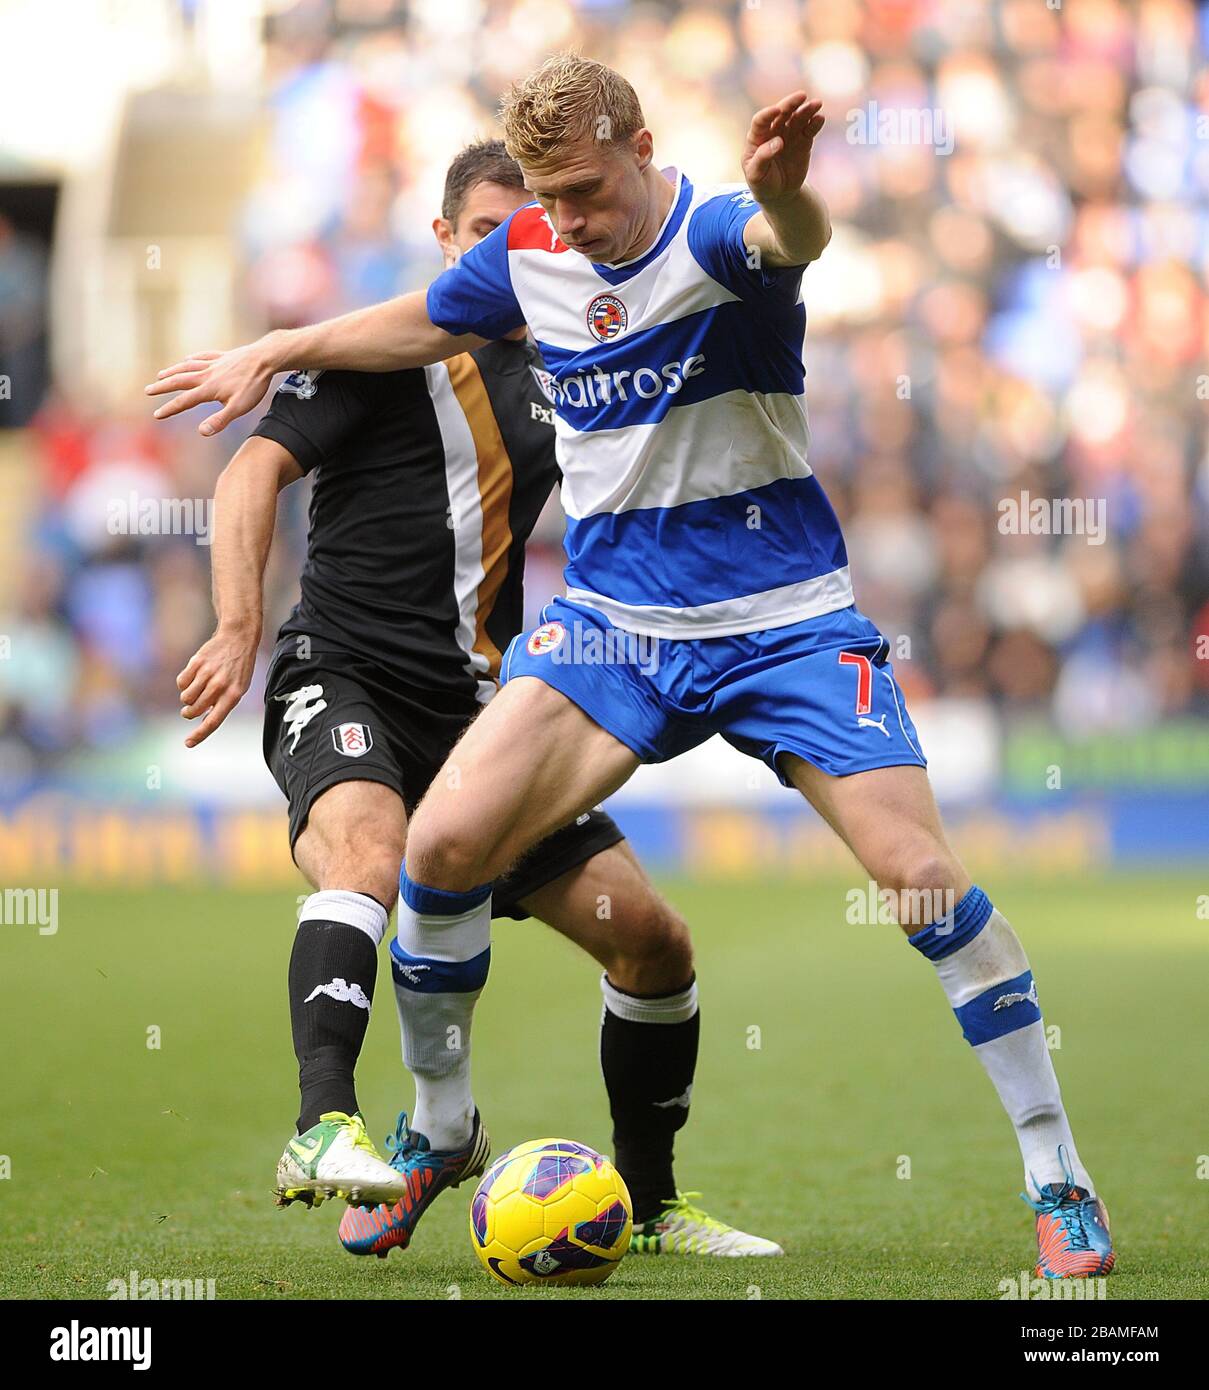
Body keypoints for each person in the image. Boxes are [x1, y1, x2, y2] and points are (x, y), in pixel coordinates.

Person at [150, 55, 1114, 1280]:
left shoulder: (716, 232)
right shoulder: (535, 248)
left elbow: (790, 235)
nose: (574, 221)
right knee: (441, 849)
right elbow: (426, 316)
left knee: (920, 878)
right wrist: (278, 342)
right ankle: (442, 1130)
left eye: (592, 192)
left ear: (646, 149)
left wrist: (792, 188)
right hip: (615, 626)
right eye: (551, 197)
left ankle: (1058, 1177)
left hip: (783, 621)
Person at [175, 137, 781, 1260]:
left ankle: (646, 1204)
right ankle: (326, 1126)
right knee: (369, 852)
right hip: (345, 672)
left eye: (534, 233)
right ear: (447, 243)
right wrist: (238, 624)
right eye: (492, 235)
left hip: (481, 706)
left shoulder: (573, 360)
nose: (517, 254)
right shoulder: (385, 351)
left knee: (652, 942)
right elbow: (252, 469)